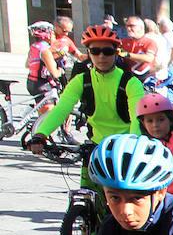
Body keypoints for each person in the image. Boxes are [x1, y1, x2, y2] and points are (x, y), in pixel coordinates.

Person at [30, 25, 143, 173]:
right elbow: (62, 109)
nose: (101, 56)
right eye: (95, 51)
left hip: (125, 147)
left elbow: (137, 117)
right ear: (89, 53)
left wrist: (132, 145)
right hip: (96, 147)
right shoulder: (81, 80)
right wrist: (41, 134)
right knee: (86, 193)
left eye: (107, 51)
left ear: (116, 53)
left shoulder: (130, 82)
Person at [25, 21, 62, 101]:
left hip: (31, 82)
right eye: (52, 33)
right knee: (49, 112)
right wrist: (60, 70)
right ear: (47, 35)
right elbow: (55, 74)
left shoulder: (34, 46)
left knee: (42, 109)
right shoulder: (45, 50)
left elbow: (27, 65)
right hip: (42, 84)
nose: (53, 36)